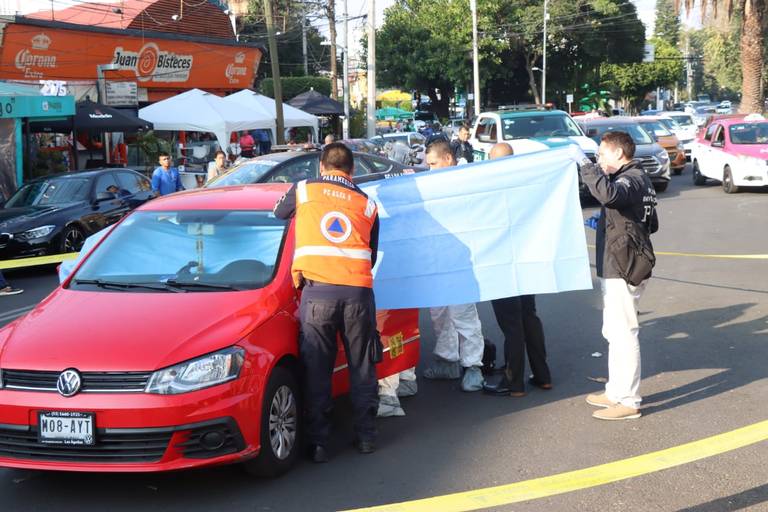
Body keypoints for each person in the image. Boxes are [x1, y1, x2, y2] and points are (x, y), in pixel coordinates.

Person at [273, 142, 380, 462]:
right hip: (357, 293)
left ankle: (319, 443)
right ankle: (366, 437)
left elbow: (278, 213)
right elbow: (371, 254)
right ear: (351, 171)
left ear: (321, 166)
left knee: (317, 369)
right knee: (362, 366)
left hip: (317, 293)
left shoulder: (304, 190)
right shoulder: (367, 204)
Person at [577, 131, 659, 421]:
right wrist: (609, 223)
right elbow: (647, 220)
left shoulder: (632, 178)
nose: (599, 159)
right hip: (620, 262)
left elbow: (611, 195)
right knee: (614, 331)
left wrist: (586, 168)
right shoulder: (636, 179)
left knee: (624, 333)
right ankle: (616, 391)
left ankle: (628, 400)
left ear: (618, 154)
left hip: (624, 266)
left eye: (602, 154)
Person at [481, 143, 552, 398]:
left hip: (500, 263)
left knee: (511, 323)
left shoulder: (488, 188)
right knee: (529, 317)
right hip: (525, 259)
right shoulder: (525, 184)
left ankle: (514, 382)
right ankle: (542, 375)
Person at [421, 140, 485, 392]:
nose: (430, 169)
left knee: (463, 314)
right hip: (436, 261)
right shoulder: (430, 185)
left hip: (460, 262)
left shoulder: (467, 181)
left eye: (433, 164)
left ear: (448, 159)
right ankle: (447, 359)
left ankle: (473, 366)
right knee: (439, 314)